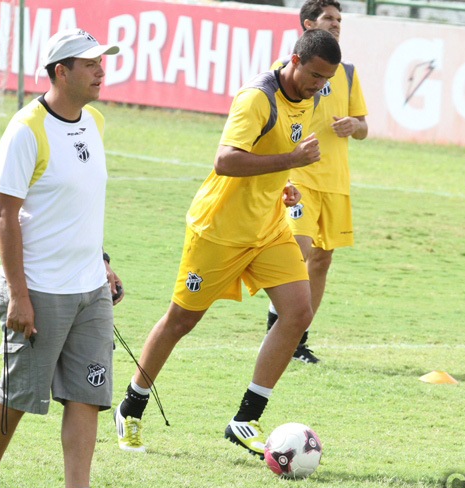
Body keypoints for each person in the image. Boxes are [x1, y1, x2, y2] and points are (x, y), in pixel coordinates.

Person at [113, 29, 341, 458]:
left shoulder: (307, 96)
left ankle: (246, 419)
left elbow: (273, 154)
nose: (317, 85)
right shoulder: (257, 98)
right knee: (181, 322)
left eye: (324, 79)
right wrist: (291, 162)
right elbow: (226, 159)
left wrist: (284, 183)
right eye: (313, 75)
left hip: (268, 228)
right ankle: (130, 406)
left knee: (298, 312)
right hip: (218, 231)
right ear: (294, 60)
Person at [0, 29, 136, 488]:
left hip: (89, 289)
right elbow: (4, 214)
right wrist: (18, 294)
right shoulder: (26, 129)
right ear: (61, 71)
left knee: (89, 392)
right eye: (90, 64)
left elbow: (81, 204)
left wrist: (101, 262)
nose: (101, 70)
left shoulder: (96, 121)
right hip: (38, 289)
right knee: (19, 394)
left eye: (102, 61)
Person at [265, 0, 369, 364]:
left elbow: (364, 128)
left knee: (321, 261)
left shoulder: (348, 71)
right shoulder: (285, 69)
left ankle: (297, 340)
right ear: (309, 24)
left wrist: (354, 126)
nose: (336, 24)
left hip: (336, 182)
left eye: (340, 19)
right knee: (298, 253)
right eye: (329, 18)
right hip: (301, 178)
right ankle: (279, 331)